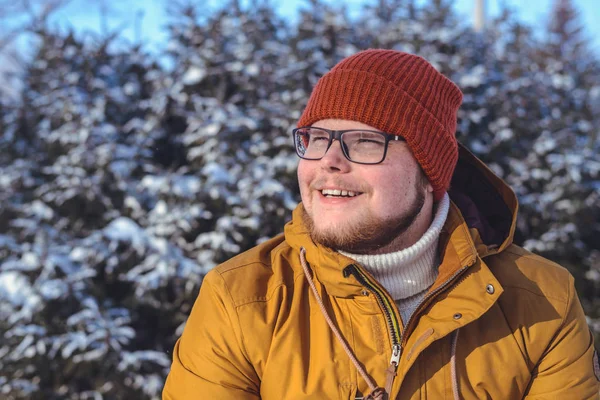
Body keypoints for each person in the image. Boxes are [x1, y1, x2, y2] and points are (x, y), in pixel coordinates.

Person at [162, 49, 600, 399]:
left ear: (430, 174)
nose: (329, 162)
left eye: (365, 141)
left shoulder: (543, 302)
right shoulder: (241, 301)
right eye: (316, 138)